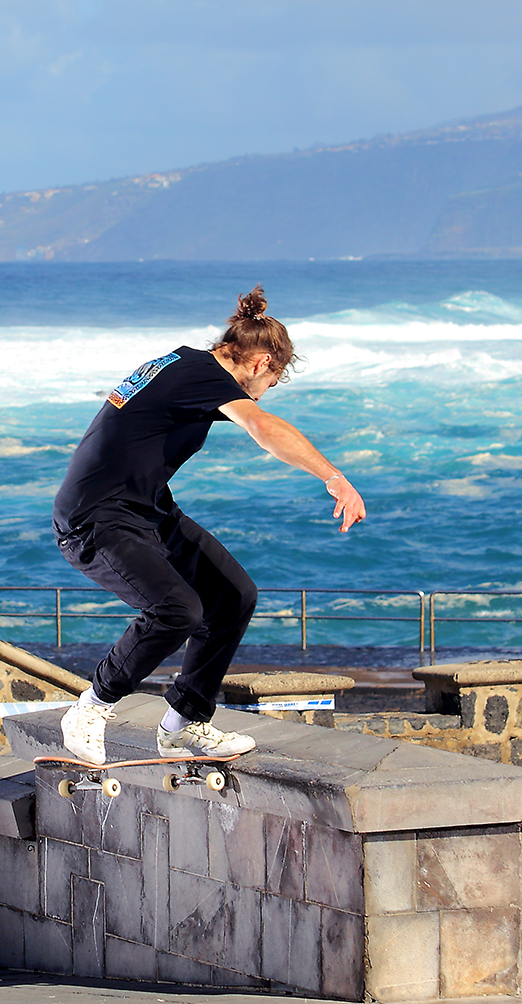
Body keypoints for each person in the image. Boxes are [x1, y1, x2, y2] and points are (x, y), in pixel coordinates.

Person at [52, 286, 366, 763]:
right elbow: (264, 428)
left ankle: (185, 722)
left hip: (145, 509)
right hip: (95, 517)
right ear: (260, 364)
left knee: (232, 596)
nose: (262, 394)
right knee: (176, 610)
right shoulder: (206, 377)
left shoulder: (183, 364)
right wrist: (334, 477)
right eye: (271, 383)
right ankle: (92, 707)